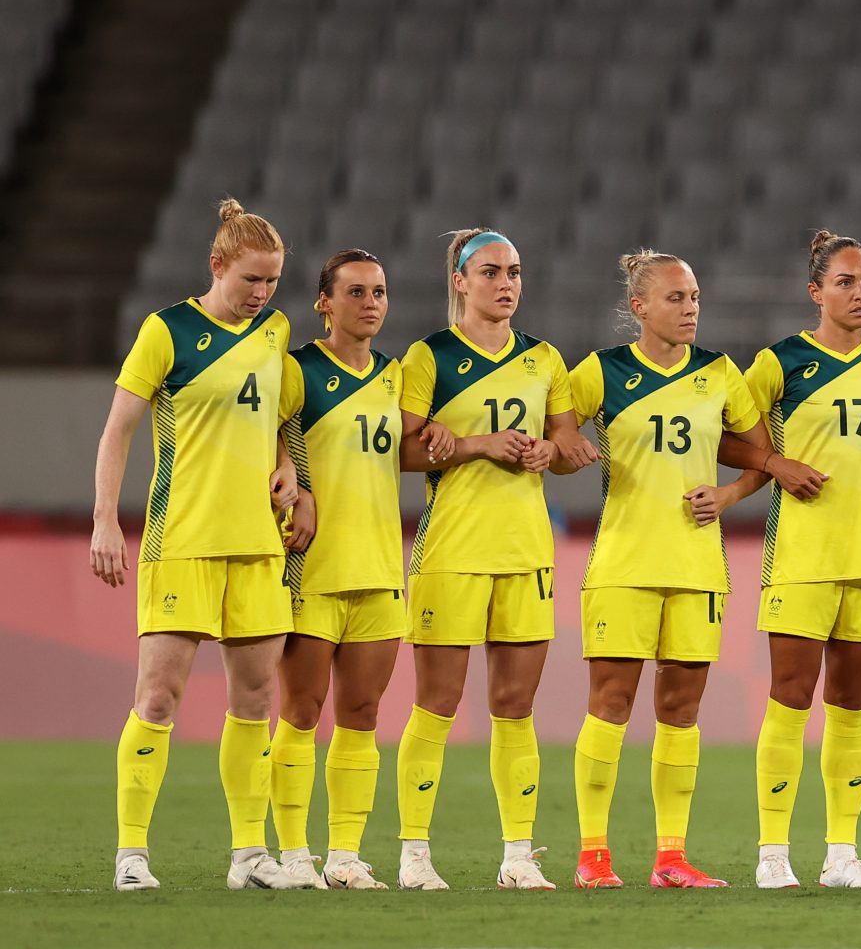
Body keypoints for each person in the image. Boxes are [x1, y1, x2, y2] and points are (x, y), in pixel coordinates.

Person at [90, 198, 305, 890]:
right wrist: (104, 521)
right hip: (182, 539)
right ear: (217, 265)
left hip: (257, 546)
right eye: (251, 279)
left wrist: (286, 465)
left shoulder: (275, 332)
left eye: (272, 281)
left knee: (253, 703)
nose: (263, 294)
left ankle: (249, 855)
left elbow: (271, 415)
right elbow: (119, 427)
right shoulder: (168, 330)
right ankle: (131, 854)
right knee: (158, 697)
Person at [395, 228, 593, 891]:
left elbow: (566, 440)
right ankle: (415, 851)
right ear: (460, 280)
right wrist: (480, 444)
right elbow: (400, 450)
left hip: (525, 549)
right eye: (489, 272)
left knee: (515, 704)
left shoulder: (544, 358)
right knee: (438, 703)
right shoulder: (430, 357)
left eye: (513, 271)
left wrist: (550, 451)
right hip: (451, 549)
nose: (504, 284)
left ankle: (516, 854)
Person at [723, 232, 861, 890]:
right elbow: (724, 432)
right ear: (816, 292)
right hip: (802, 557)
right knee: (790, 699)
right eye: (845, 282)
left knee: (851, 706)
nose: (860, 293)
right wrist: (775, 463)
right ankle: (773, 852)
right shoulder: (780, 362)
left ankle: (842, 854)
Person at [560, 251, 761, 888]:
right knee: (610, 705)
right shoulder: (602, 371)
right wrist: (569, 449)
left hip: (699, 567)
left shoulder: (721, 373)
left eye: (695, 296)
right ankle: (594, 855)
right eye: (675, 298)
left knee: (681, 711)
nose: (690, 308)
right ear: (640, 307)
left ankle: (671, 858)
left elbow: (764, 458)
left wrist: (727, 496)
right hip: (622, 564)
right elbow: (558, 438)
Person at [272, 250, 441, 890]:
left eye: (379, 292)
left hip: (378, 568)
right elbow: (267, 434)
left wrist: (449, 443)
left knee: (363, 713)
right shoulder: (297, 373)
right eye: (355, 291)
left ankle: (344, 854)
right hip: (312, 566)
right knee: (300, 710)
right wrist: (301, 486)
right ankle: (293, 853)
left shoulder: (395, 377)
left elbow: (401, 453)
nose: (370, 302)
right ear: (325, 302)